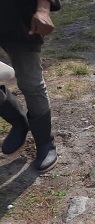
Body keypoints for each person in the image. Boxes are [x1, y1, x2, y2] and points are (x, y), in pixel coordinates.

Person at [0, 0, 61, 172]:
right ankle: (19, 121)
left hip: (18, 14)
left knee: (31, 83)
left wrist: (43, 9)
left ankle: (45, 143)